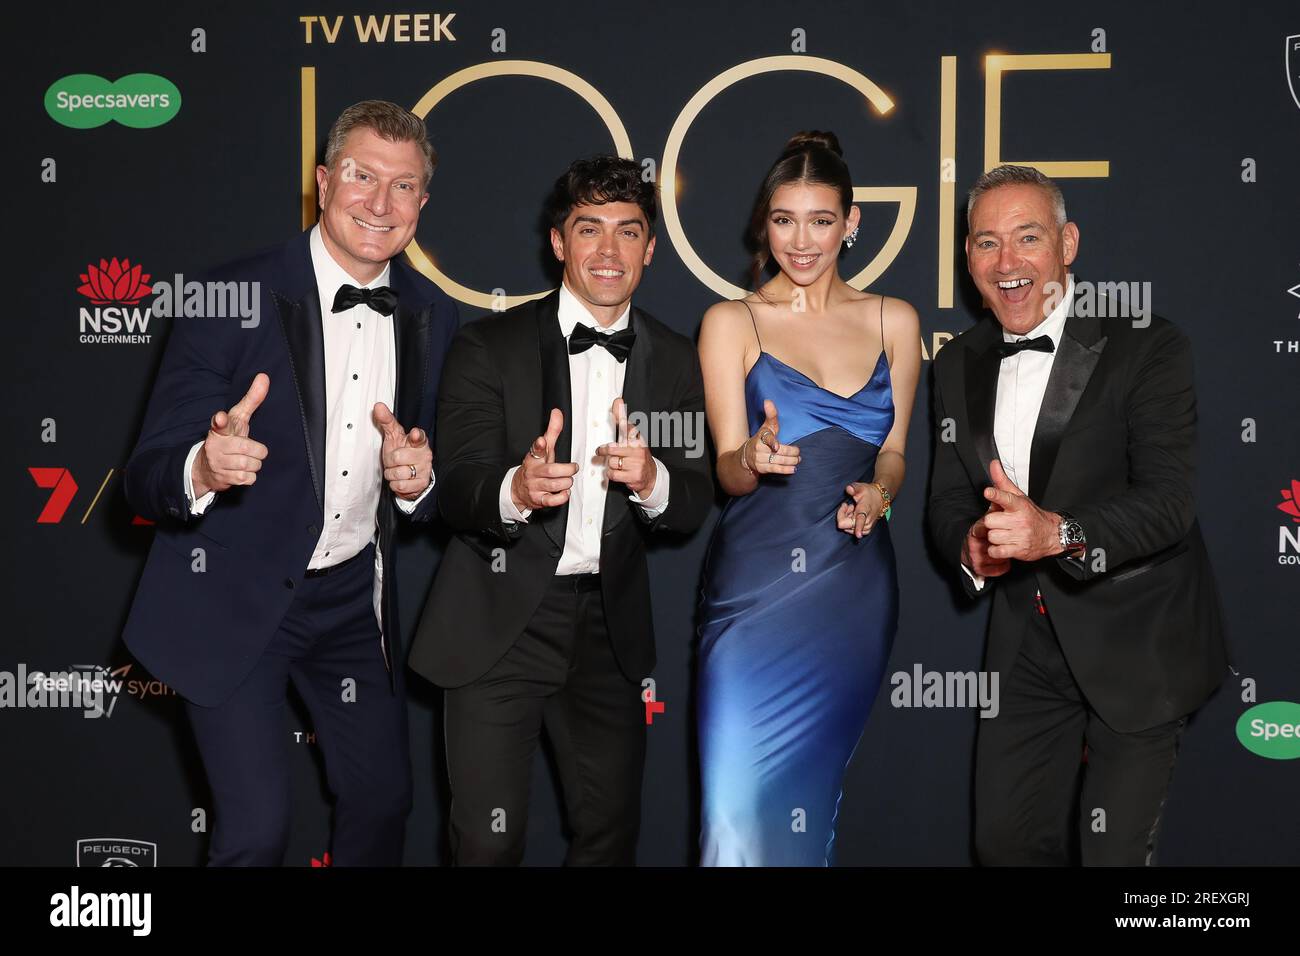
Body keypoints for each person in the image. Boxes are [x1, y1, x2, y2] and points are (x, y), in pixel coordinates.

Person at [122, 100, 460, 865]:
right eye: (362, 176)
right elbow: (145, 478)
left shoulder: (433, 316)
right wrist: (203, 467)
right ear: (322, 180)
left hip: (347, 601)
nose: (380, 204)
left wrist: (415, 484)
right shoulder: (229, 296)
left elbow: (429, 477)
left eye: (402, 187)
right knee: (256, 831)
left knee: (383, 803)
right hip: (236, 594)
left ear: (422, 204)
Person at [408, 156, 714, 865]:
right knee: (486, 844)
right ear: (558, 241)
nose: (608, 252)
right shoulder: (488, 345)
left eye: (628, 232)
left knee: (609, 837)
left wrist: (653, 481)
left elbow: (693, 497)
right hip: (498, 623)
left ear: (651, 248)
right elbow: (457, 488)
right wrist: (514, 490)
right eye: (589, 230)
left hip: (609, 631)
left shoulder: (674, 358)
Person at [928, 164, 1229, 865]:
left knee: (1112, 856)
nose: (1007, 263)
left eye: (1027, 238)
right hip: (1026, 644)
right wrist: (973, 547)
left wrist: (1054, 533)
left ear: (1067, 244)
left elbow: (1168, 503)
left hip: (1140, 637)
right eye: (985, 242)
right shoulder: (956, 364)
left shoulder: (1148, 343)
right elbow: (946, 501)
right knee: (1003, 844)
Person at [695, 131, 921, 865]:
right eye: (784, 219)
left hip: (849, 591)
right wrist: (753, 459)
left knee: (808, 805)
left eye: (821, 220)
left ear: (851, 224)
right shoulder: (732, 322)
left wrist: (880, 496)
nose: (802, 240)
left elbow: (894, 456)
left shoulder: (896, 320)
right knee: (733, 816)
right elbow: (727, 469)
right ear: (765, 222)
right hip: (753, 596)